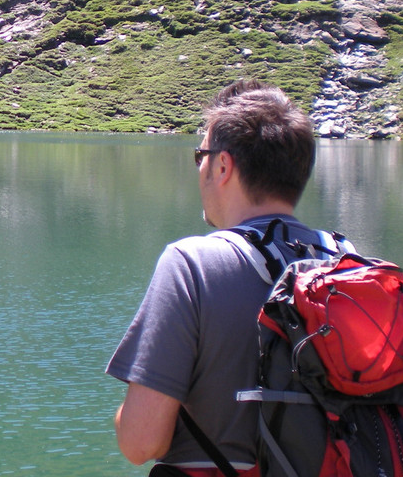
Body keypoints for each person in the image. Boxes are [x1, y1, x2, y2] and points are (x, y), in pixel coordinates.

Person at [106, 79, 339, 476]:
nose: (200, 167)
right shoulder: (354, 265)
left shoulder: (193, 264)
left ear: (224, 165)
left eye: (201, 154)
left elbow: (141, 442)